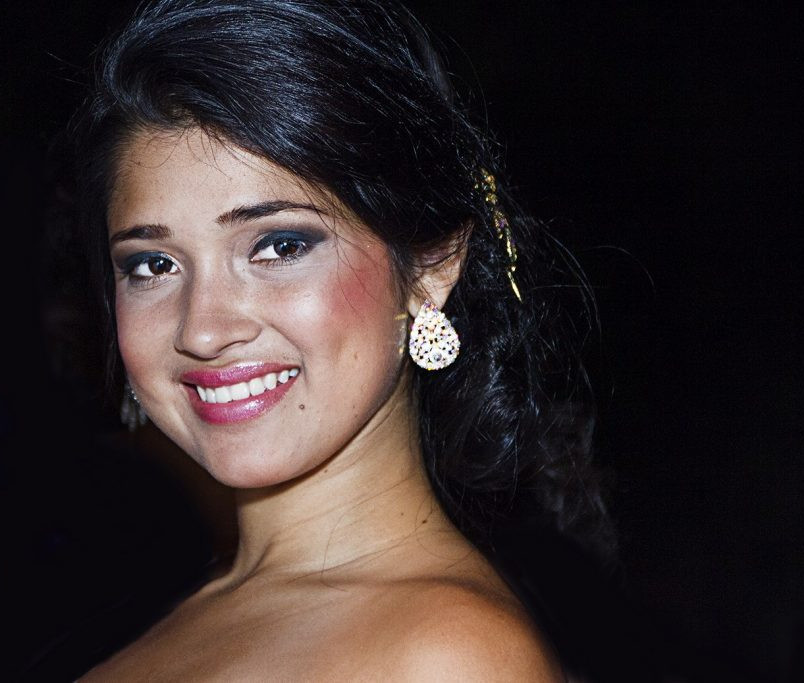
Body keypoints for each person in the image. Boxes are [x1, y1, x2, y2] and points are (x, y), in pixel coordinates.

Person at [71, 0, 613, 679]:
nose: (203, 329)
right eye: (153, 265)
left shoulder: (447, 655)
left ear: (431, 267)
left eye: (279, 245)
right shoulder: (154, 639)